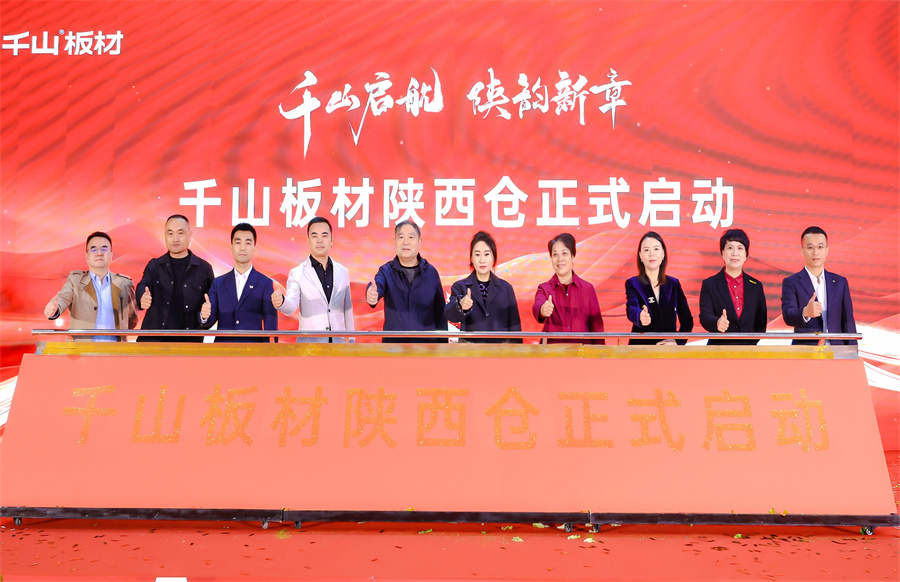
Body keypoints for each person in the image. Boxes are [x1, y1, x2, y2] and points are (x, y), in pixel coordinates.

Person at [272, 216, 354, 343]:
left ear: (331, 240)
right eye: (314, 236)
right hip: (310, 345)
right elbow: (291, 305)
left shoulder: (342, 272)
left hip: (339, 344)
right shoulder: (297, 273)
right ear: (308, 241)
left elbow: (348, 311)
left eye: (324, 236)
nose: (320, 240)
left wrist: (352, 344)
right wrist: (281, 301)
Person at [44, 231, 137, 341]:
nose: (99, 253)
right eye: (93, 249)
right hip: (82, 349)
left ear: (111, 255)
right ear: (87, 256)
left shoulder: (125, 284)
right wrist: (54, 309)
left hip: (114, 349)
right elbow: (63, 298)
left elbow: (132, 319)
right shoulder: (75, 280)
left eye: (104, 249)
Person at [136, 214, 215, 342]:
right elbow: (142, 286)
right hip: (154, 343)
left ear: (190, 235)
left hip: (189, 345)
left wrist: (205, 316)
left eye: (180, 233)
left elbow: (212, 307)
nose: (175, 239)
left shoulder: (204, 269)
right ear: (165, 236)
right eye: (170, 233)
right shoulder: (155, 266)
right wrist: (142, 297)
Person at [366, 220, 447, 343]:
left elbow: (440, 313)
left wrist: (443, 346)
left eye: (411, 237)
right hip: (394, 347)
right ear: (394, 241)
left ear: (419, 242)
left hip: (426, 347)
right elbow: (377, 285)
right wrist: (371, 293)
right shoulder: (386, 271)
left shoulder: (431, 272)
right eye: (401, 237)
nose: (405, 242)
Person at [200, 223, 278, 343]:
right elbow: (209, 320)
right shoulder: (218, 283)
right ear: (231, 247)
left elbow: (270, 324)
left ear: (255, 248)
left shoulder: (265, 283)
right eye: (238, 242)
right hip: (224, 349)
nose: (242, 248)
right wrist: (204, 316)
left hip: (253, 349)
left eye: (248, 243)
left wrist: (272, 350)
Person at [781, 226, 857, 345]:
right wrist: (805, 312)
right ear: (802, 250)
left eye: (820, 247)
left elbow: (848, 321)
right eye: (810, 247)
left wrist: (852, 350)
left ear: (826, 250)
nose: (815, 252)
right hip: (806, 350)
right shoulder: (791, 282)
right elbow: (788, 316)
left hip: (837, 349)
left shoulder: (840, 282)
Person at [445, 231, 522, 343]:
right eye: (477, 254)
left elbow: (515, 329)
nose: (482, 260)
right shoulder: (460, 287)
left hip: (500, 350)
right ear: (471, 258)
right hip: (470, 351)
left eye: (486, 254)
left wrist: (517, 351)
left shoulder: (506, 289)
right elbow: (450, 315)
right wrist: (460, 304)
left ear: (493, 257)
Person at [531, 233, 604, 344]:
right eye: (555, 255)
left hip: (582, 351)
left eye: (564, 253)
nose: (560, 259)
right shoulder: (545, 288)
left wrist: (600, 352)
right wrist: (542, 310)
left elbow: (597, 327)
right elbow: (538, 305)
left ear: (572, 256)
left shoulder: (587, 289)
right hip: (553, 351)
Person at [699, 228, 767, 345]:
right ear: (722, 253)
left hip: (748, 350)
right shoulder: (710, 284)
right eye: (730, 248)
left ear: (746, 254)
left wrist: (749, 343)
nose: (735, 253)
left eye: (740, 248)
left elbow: (761, 323)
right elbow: (705, 316)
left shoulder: (756, 286)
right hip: (719, 350)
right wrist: (717, 323)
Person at [625, 231, 693, 345]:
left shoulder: (673, 284)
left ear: (663, 254)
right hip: (641, 349)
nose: (652, 254)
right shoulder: (633, 283)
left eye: (656, 249)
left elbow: (687, 320)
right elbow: (631, 308)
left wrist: (677, 342)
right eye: (646, 250)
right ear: (640, 256)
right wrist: (639, 316)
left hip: (668, 350)